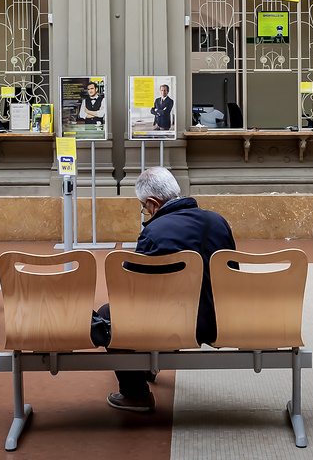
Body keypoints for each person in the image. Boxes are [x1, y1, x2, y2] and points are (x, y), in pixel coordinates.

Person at [92, 166, 235, 414]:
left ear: (154, 203)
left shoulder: (154, 232)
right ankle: (145, 365)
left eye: (143, 207)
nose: (145, 212)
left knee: (109, 313)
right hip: (220, 320)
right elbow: (233, 271)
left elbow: (132, 287)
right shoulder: (218, 222)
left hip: (170, 324)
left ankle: (136, 394)